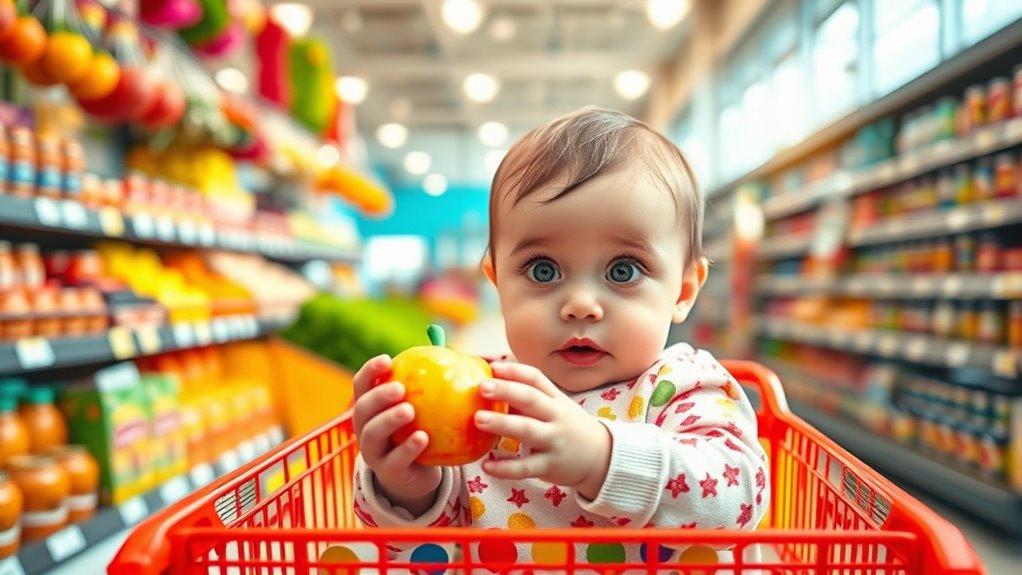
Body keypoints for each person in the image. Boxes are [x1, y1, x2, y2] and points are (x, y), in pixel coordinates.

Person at [350, 107, 770, 566]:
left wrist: (602, 459)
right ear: (497, 283)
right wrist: (407, 489)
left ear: (683, 290)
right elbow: (430, 544)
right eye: (543, 270)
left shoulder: (682, 387)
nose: (581, 304)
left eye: (623, 270)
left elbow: (738, 501)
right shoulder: (484, 397)